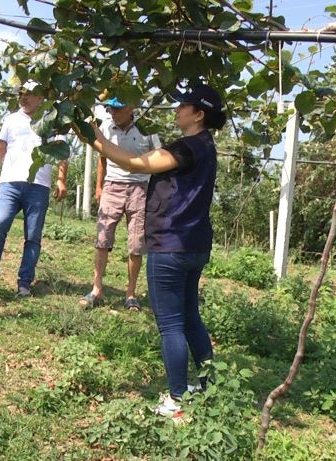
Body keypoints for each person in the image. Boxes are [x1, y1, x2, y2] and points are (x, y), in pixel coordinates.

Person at [78, 84, 227, 417]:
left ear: (199, 114)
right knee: (190, 318)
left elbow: (135, 163)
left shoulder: (186, 147)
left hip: (171, 244)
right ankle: (207, 386)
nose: (176, 110)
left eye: (183, 106)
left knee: (171, 325)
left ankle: (176, 401)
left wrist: (96, 139)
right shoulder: (206, 146)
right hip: (195, 244)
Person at [0, 80, 68, 297]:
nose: (24, 98)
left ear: (41, 98)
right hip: (9, 183)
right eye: (22, 94)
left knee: (33, 236)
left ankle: (24, 282)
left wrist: (61, 179)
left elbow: (62, 153)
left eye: (30, 94)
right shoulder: (11, 120)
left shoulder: (53, 122)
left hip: (38, 186)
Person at [78, 97, 160, 311]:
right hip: (112, 186)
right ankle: (97, 289)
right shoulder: (105, 127)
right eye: (110, 108)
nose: (113, 112)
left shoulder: (147, 129)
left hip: (140, 189)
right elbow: (102, 157)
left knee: (136, 244)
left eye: (118, 108)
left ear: (131, 107)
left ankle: (131, 294)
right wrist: (99, 187)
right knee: (102, 238)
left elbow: (159, 158)